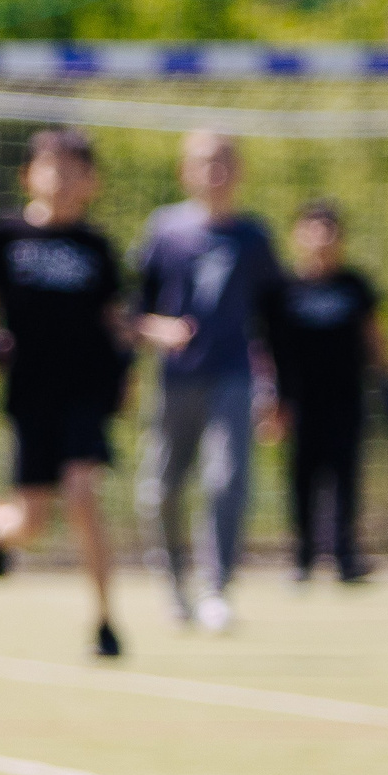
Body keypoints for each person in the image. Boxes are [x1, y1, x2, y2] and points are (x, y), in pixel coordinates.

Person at [0, 130, 131, 658]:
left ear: (92, 181)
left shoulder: (97, 247)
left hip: (84, 392)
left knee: (82, 494)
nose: (61, 179)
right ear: (28, 176)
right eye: (51, 167)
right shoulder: (7, 235)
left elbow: (116, 319)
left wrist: (147, 343)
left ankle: (105, 622)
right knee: (31, 524)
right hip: (31, 394)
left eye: (73, 169)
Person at [135, 131, 282, 632]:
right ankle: (174, 585)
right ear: (185, 171)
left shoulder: (254, 238)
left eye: (222, 161)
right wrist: (158, 332)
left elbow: (274, 320)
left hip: (233, 376)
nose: (213, 171)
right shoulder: (164, 232)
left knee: (226, 479)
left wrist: (275, 388)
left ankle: (216, 589)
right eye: (203, 162)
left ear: (238, 171)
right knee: (160, 488)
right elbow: (134, 311)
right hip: (175, 379)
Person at [267, 201, 388, 583]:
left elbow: (374, 335)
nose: (321, 239)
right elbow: (268, 348)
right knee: (302, 477)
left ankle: (345, 555)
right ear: (297, 236)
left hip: (346, 398)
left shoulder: (354, 285)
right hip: (299, 401)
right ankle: (302, 557)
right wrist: (272, 399)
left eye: (329, 230)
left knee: (345, 476)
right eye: (313, 229)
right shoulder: (283, 290)